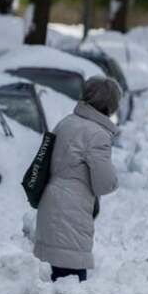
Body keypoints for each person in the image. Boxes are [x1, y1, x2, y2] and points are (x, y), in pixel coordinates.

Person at [34, 76, 121, 282]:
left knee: (54, 283)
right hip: (71, 213)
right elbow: (104, 184)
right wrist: (115, 176)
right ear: (110, 105)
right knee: (70, 286)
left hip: (50, 204)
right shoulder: (97, 135)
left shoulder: (66, 122)